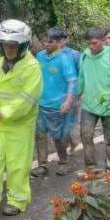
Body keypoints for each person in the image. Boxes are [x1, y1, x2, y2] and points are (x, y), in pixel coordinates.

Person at [0, 19, 42, 217]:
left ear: (23, 46)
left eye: (13, 46)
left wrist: (1, 113)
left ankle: (17, 201)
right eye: (6, 45)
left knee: (17, 164)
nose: (9, 49)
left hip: (20, 125)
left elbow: (26, 101)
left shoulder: (32, 67)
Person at [77, 28, 110, 170]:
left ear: (103, 41)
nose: (91, 47)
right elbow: (81, 78)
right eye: (89, 44)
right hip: (89, 105)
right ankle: (91, 167)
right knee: (86, 136)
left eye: (94, 43)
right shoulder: (84, 56)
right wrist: (75, 96)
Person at [30, 28, 77, 178]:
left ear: (58, 43)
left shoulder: (64, 59)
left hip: (58, 105)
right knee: (40, 134)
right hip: (41, 103)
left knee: (58, 137)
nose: (46, 44)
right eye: (45, 41)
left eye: (50, 42)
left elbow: (72, 80)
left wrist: (69, 100)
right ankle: (42, 165)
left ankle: (63, 162)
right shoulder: (40, 56)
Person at [60, 32, 82, 152]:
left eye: (62, 39)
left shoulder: (75, 55)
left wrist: (81, 90)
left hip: (73, 92)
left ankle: (74, 141)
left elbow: (81, 73)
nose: (60, 42)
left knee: (71, 119)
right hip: (57, 93)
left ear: (66, 40)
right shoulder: (50, 55)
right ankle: (64, 147)